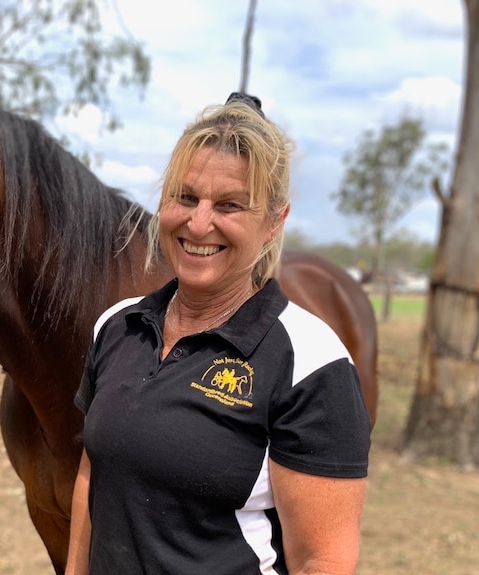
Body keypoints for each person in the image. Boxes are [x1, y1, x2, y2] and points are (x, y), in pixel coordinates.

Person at [65, 94, 371, 575]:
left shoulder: (311, 362)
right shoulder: (118, 326)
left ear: (274, 222)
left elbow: (323, 560)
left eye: (229, 205)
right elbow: (93, 473)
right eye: (185, 197)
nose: (199, 222)